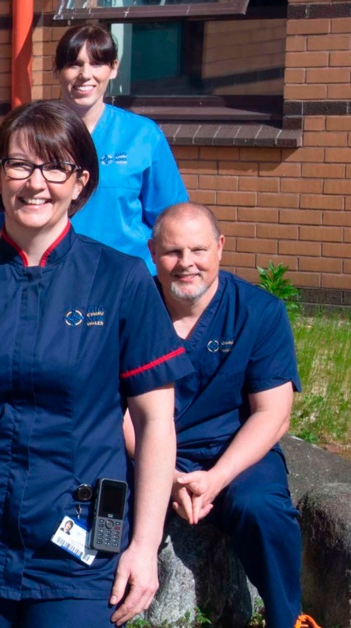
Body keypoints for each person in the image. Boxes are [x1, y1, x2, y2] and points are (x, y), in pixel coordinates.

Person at [0, 101, 193, 628]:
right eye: (19, 165)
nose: (36, 183)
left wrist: (145, 546)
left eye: (55, 167)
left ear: (80, 181)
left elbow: (154, 424)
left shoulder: (121, 281)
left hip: (81, 542)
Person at [143, 202, 310, 628]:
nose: (186, 264)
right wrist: (168, 476)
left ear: (220, 248)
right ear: (152, 251)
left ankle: (286, 618)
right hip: (144, 450)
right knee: (105, 508)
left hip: (232, 453)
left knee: (263, 509)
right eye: (172, 252)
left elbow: (273, 414)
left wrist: (215, 478)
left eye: (198, 250)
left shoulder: (260, 312)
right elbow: (112, 409)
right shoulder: (133, 310)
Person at [0, 24, 188, 274]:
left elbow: (172, 222)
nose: (85, 74)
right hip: (52, 282)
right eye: (74, 64)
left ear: (113, 68)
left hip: (125, 281)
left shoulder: (143, 136)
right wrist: (29, 269)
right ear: (57, 69)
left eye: (96, 63)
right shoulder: (27, 132)